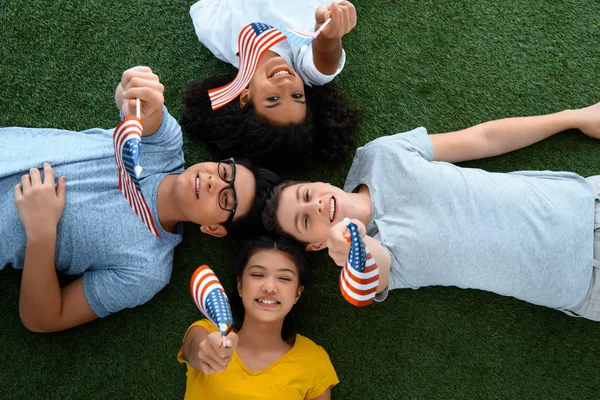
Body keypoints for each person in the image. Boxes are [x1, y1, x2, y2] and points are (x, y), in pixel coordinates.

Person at [0, 66, 279, 333]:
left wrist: (41, 233)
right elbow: (145, 106)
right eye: (225, 171)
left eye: (226, 198)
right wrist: (136, 88)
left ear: (214, 228)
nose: (212, 181)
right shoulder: (165, 145)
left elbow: (44, 319)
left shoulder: (147, 269)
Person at [262, 102, 600, 321]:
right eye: (306, 220)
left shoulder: (381, 155)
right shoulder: (368, 261)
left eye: (307, 194)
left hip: (583, 203)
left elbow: (482, 139)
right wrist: (351, 245)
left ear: (318, 182)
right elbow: (372, 267)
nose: (316, 205)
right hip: (584, 286)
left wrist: (573, 118)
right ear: (316, 245)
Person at [180, 0, 361, 170]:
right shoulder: (305, 65)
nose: (286, 85)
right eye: (297, 96)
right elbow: (326, 55)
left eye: (273, 98)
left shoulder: (213, 32)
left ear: (245, 97)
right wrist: (329, 36)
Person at [178, 236, 338, 399]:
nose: (269, 287)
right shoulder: (209, 330)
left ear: (297, 293)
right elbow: (194, 348)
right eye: (257, 274)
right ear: (240, 285)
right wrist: (207, 352)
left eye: (284, 278)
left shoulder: (312, 359)